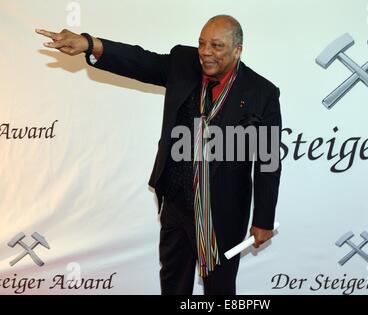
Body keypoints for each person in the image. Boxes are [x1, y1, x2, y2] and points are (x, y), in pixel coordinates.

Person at [36, 14, 282, 295]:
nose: (205, 52)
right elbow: (141, 61)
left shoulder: (261, 93)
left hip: (222, 214)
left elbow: (268, 161)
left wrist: (263, 218)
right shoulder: (183, 63)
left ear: (238, 49)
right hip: (176, 204)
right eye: (202, 43)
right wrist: (91, 44)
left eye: (216, 46)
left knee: (220, 290)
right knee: (173, 283)